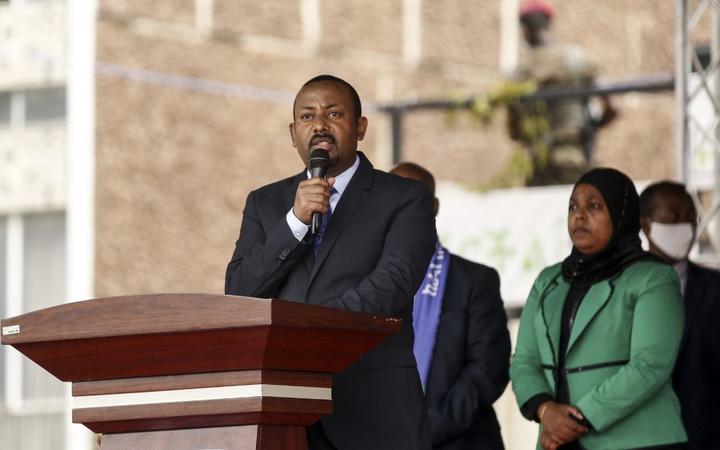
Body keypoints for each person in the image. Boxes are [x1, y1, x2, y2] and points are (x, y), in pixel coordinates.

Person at [225, 75, 436, 450]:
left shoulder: (404, 197)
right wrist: (295, 222)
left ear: (360, 127)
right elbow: (240, 292)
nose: (319, 124)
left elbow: (392, 283)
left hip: (374, 407)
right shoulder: (266, 203)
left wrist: (308, 333)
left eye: (333, 113)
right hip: (286, 408)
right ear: (293, 134)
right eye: (307, 117)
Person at [510, 167, 687, 450]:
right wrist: (545, 411)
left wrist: (576, 420)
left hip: (637, 441)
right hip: (556, 441)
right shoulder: (549, 281)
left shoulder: (652, 277)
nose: (579, 215)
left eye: (594, 206)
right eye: (573, 207)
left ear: (621, 214)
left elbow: (649, 365)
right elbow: (524, 361)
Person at [390, 162, 511, 450]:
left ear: (434, 206)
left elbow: (487, 370)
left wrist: (425, 430)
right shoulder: (363, 286)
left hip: (458, 441)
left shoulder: (475, 281)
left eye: (413, 198)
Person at [639, 181, 720, 450]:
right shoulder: (618, 288)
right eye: (672, 216)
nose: (684, 227)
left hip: (704, 437)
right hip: (639, 437)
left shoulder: (715, 288)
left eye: (690, 218)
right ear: (647, 225)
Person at [508, 0, 616, 186]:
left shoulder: (519, 74)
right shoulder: (575, 60)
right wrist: (592, 126)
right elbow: (613, 107)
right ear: (549, 23)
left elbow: (515, 132)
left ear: (524, 29)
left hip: (538, 167)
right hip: (574, 159)